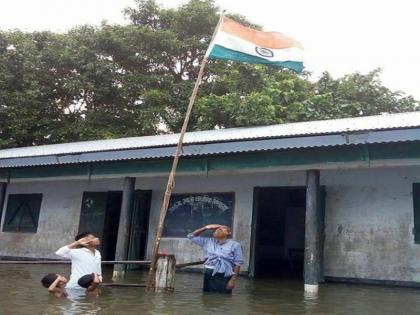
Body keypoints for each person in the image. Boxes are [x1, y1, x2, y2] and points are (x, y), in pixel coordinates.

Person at [187, 224, 244, 294]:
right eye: (218, 228)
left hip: (224, 274)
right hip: (208, 272)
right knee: (207, 296)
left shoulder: (235, 245)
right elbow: (191, 236)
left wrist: (233, 280)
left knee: (222, 297)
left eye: (223, 228)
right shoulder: (208, 241)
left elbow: (238, 264)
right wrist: (206, 228)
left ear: (229, 233)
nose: (219, 229)